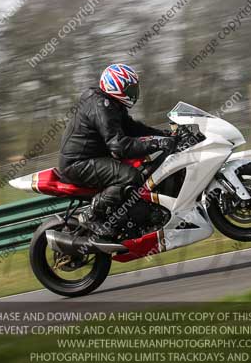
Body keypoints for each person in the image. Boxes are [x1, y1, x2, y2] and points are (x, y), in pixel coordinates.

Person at [57, 63, 175, 239]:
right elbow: (119, 146)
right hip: (78, 164)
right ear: (115, 86)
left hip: (92, 159)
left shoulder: (112, 104)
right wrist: (156, 144)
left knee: (143, 167)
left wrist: (164, 134)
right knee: (130, 176)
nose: (134, 93)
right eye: (130, 89)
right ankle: (91, 215)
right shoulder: (100, 105)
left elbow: (132, 128)